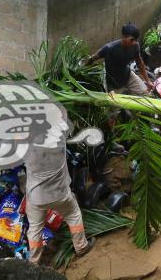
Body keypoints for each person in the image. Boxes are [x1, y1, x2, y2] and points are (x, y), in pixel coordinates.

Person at [24, 110, 95, 265]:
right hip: (60, 194)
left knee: (35, 229)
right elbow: (62, 118)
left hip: (36, 197)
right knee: (73, 214)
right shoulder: (58, 142)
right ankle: (81, 247)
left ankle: (33, 261)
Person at [87, 23, 154, 95]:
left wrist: (147, 81)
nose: (134, 42)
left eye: (136, 40)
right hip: (113, 83)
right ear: (123, 37)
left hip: (127, 75)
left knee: (147, 94)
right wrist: (84, 68)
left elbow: (139, 63)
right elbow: (93, 58)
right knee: (115, 105)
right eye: (131, 40)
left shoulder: (135, 46)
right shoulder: (109, 48)